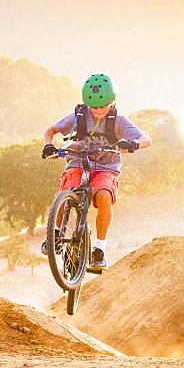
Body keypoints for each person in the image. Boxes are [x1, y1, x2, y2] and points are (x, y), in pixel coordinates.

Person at [40, 73, 151, 270]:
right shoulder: (79, 116)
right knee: (65, 195)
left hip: (106, 166)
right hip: (78, 161)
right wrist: (48, 146)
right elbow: (50, 130)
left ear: (113, 102)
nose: (98, 111)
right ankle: (55, 234)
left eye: (103, 106)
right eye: (94, 107)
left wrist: (132, 144)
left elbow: (146, 140)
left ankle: (99, 250)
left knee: (103, 196)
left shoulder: (119, 121)